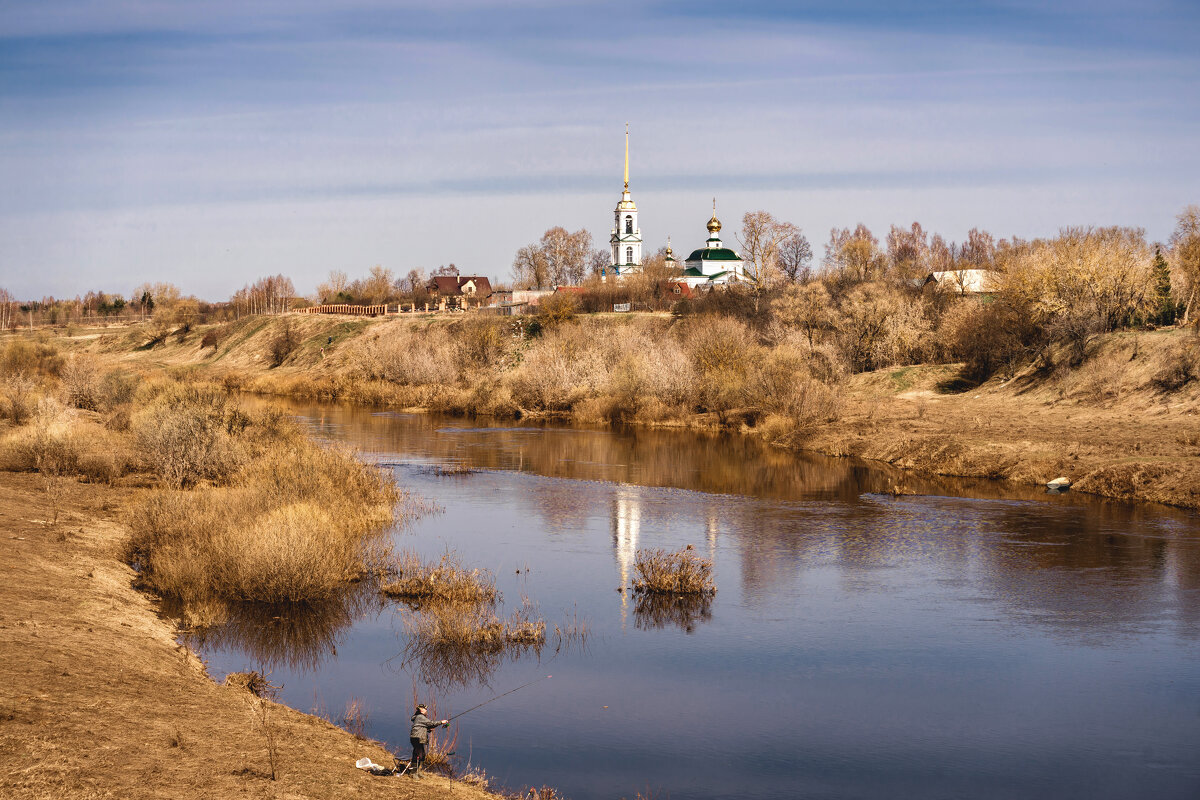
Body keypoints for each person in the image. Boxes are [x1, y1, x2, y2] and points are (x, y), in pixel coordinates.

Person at [406, 703, 448, 778]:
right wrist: (441, 722)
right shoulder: (420, 717)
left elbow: (422, 726)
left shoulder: (419, 717)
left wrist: (427, 729)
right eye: (425, 709)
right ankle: (413, 773)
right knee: (417, 754)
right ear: (421, 710)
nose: (426, 710)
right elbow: (431, 723)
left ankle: (418, 772)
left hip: (419, 737)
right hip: (417, 738)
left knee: (422, 755)